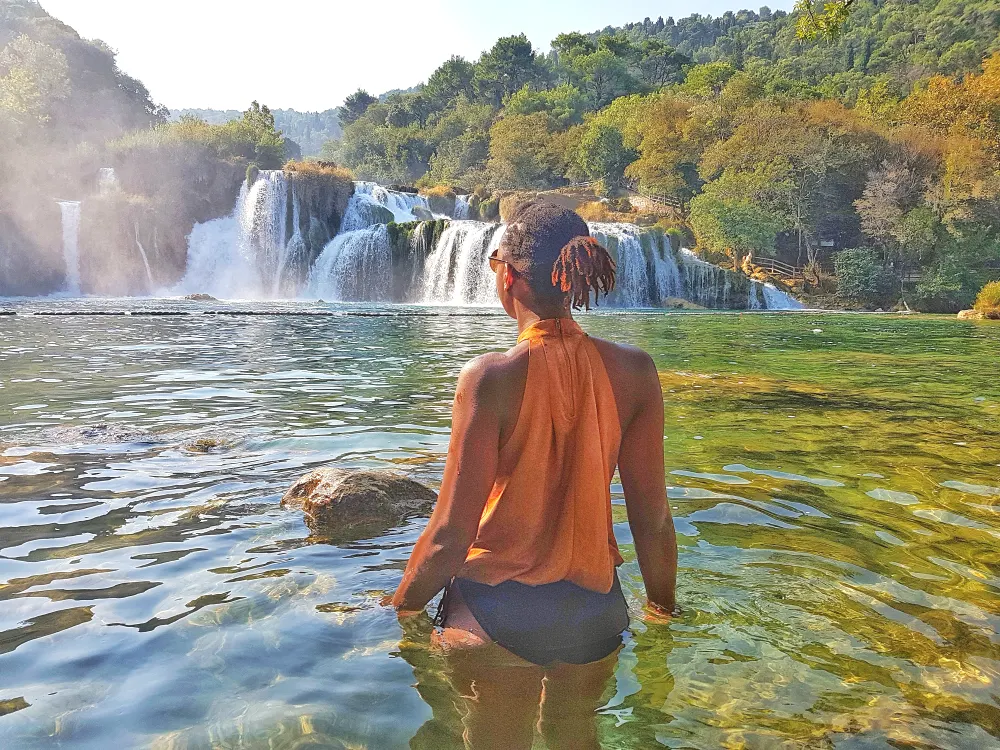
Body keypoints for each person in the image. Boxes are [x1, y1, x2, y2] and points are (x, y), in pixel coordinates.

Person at [390, 200, 677, 750]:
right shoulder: (636, 372)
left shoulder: (489, 378)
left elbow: (451, 534)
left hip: (495, 614)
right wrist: (663, 609)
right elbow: (654, 521)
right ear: (576, 275)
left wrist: (400, 607)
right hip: (595, 616)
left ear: (507, 274)